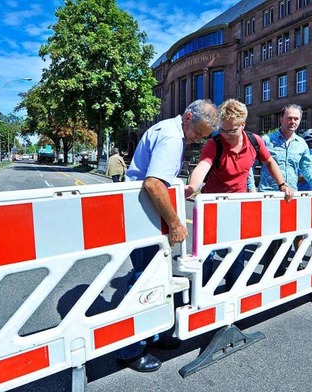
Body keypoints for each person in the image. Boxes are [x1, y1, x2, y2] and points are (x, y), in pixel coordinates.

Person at [119, 99, 220, 372]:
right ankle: (131, 349)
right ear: (187, 117)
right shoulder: (173, 137)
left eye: (203, 137)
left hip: (145, 215)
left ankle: (151, 333)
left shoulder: (170, 131)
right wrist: (176, 224)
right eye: (197, 133)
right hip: (144, 217)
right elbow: (153, 183)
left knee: (152, 278)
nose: (197, 140)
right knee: (144, 281)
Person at [185, 99, 291, 292]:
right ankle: (202, 294)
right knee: (206, 254)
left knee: (236, 253)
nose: (226, 135)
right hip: (212, 207)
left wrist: (282, 185)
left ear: (243, 124)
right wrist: (192, 186)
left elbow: (269, 162)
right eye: (223, 130)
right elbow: (204, 165)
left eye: (232, 130)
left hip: (237, 207)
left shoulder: (254, 141)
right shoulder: (214, 143)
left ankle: (233, 293)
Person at [258, 104, 312, 192]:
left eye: (296, 119)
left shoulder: (301, 143)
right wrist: (250, 189)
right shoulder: (266, 140)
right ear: (281, 119)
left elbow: (306, 168)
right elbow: (249, 165)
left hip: (291, 193)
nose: (293, 121)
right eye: (289, 118)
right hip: (268, 193)